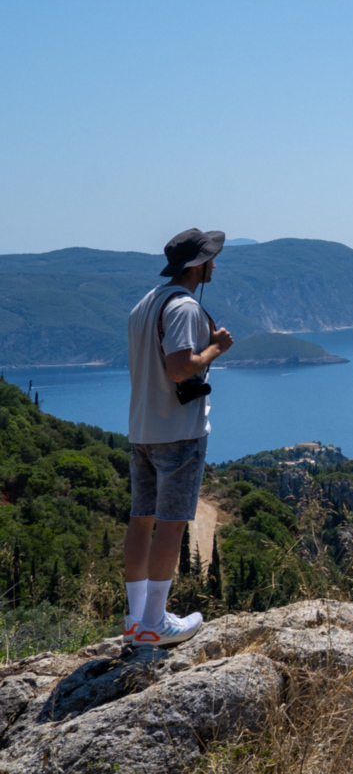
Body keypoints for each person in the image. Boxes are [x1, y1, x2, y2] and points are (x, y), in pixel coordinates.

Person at [123, 228, 233, 646]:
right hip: (179, 434)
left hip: (143, 430)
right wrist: (216, 348)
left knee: (141, 519)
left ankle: (136, 620)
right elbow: (179, 367)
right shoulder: (184, 307)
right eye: (210, 258)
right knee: (171, 524)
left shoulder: (144, 304)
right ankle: (155, 623)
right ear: (196, 265)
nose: (215, 264)